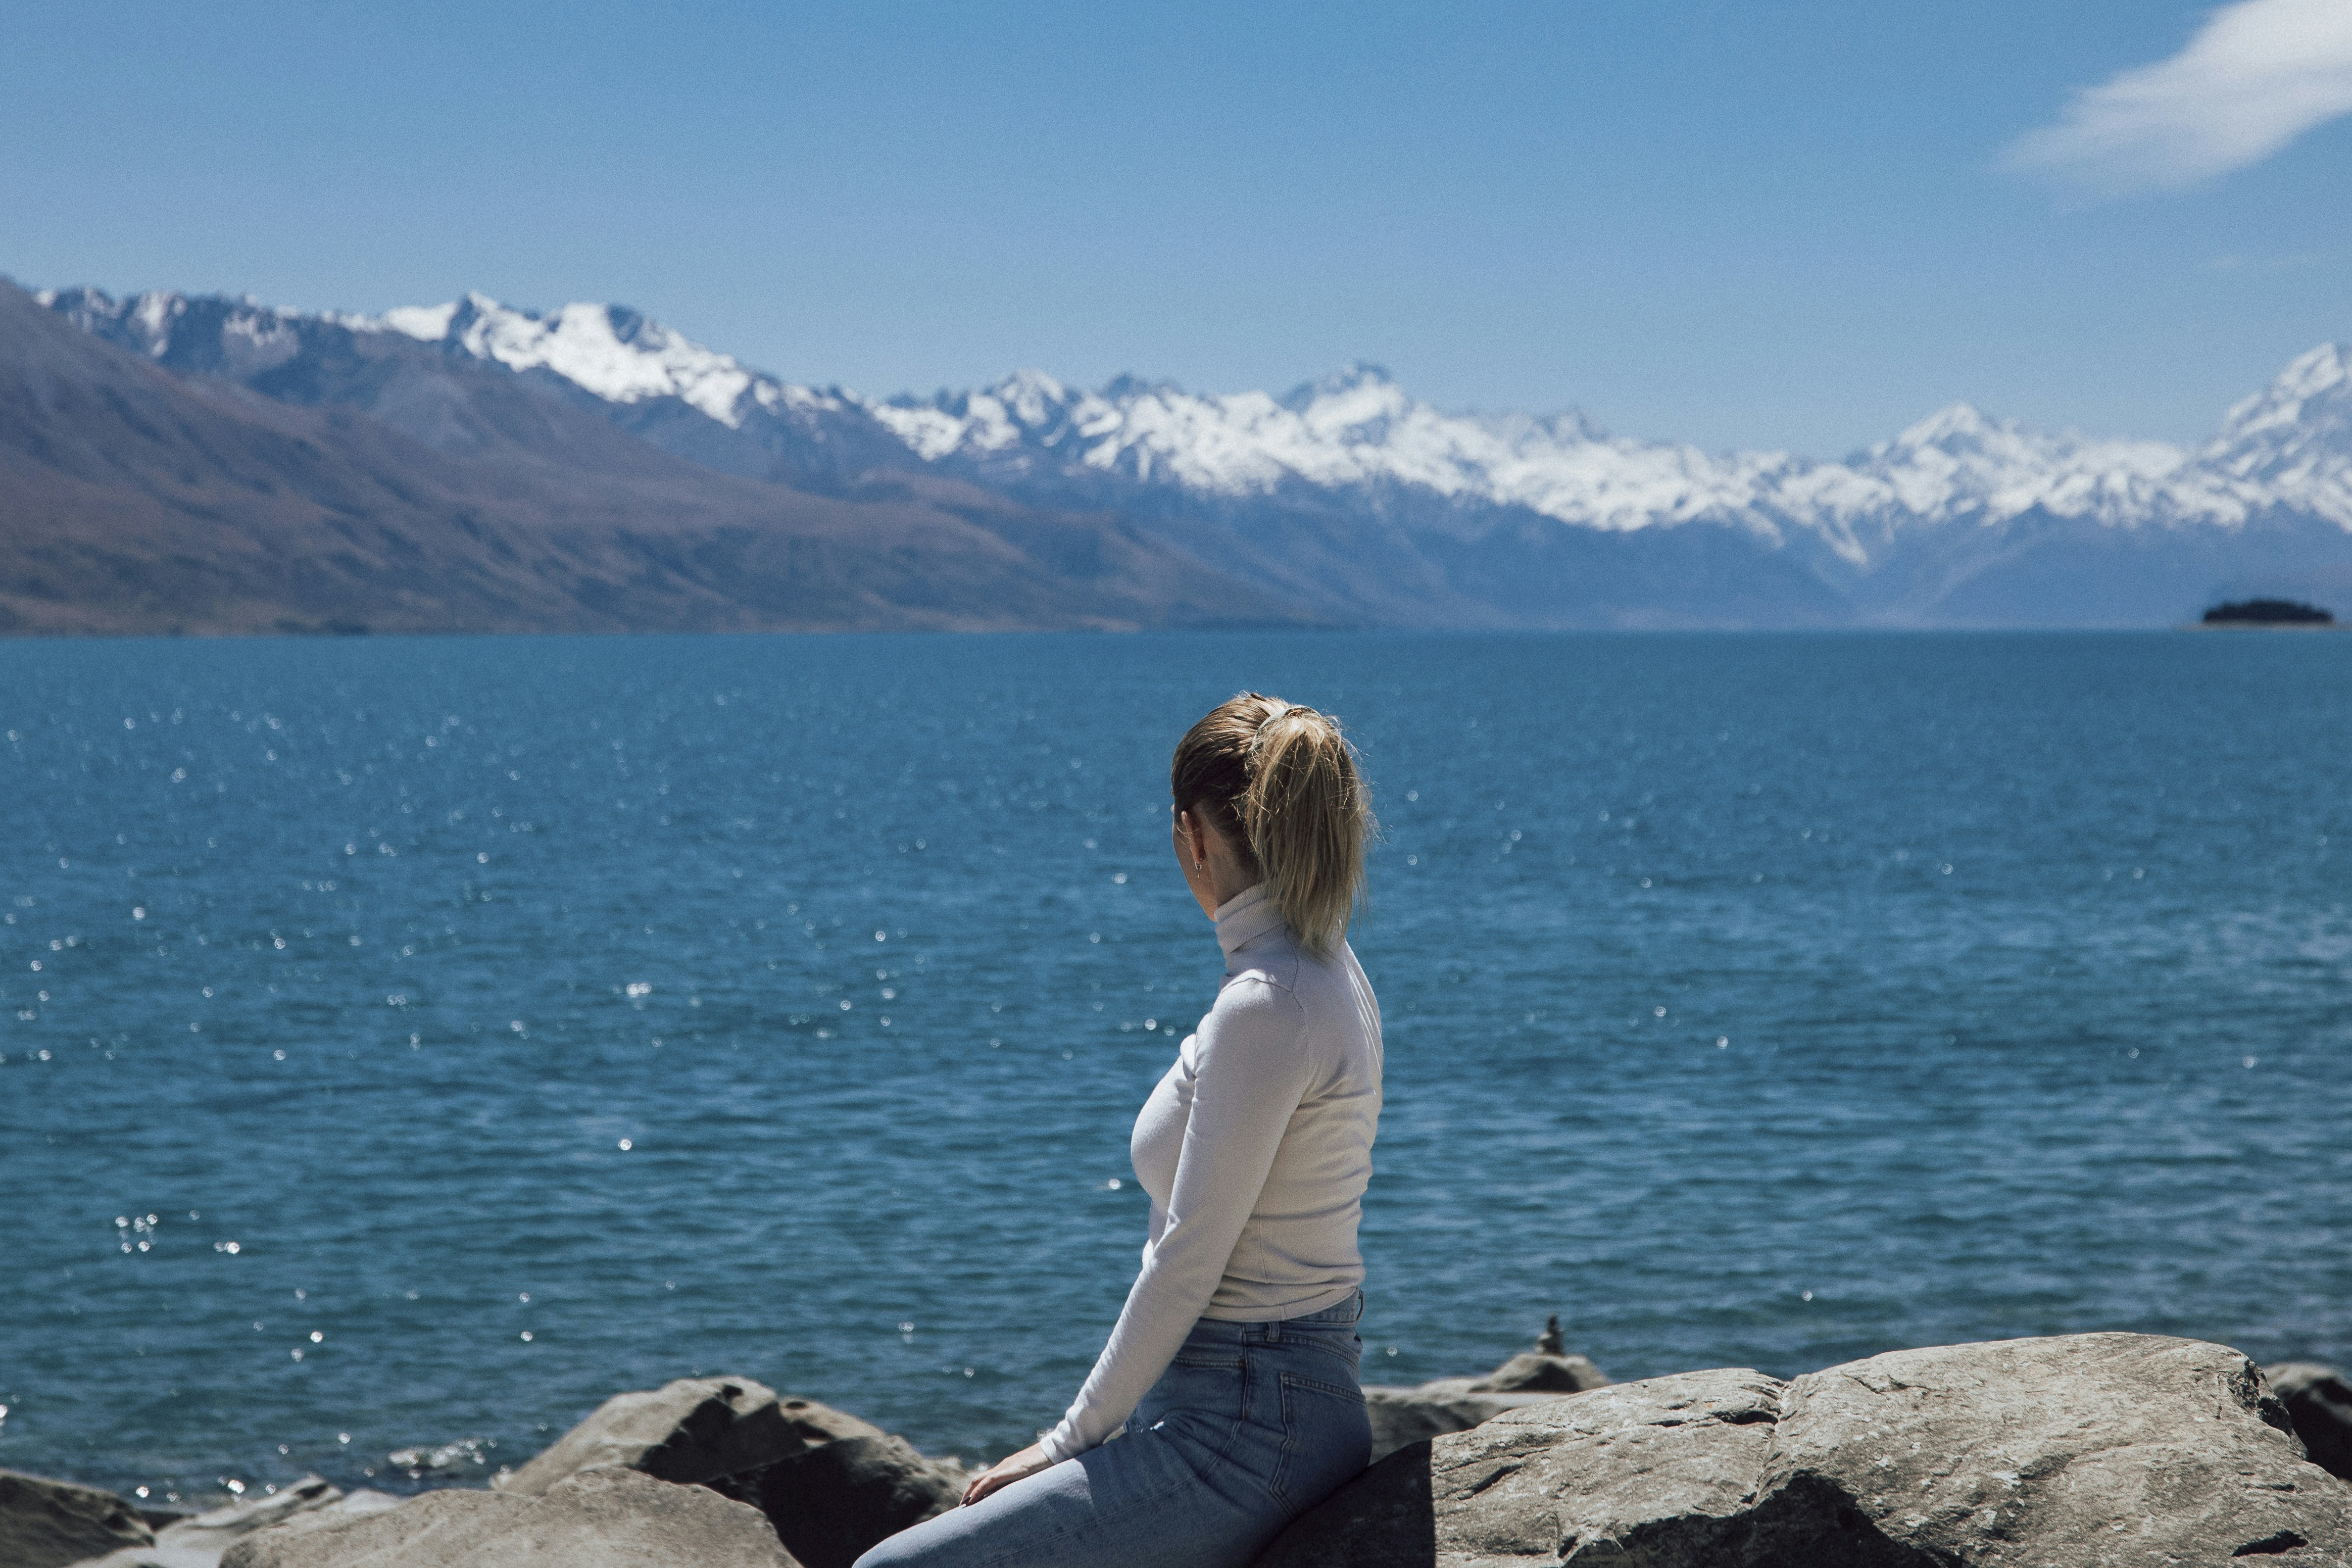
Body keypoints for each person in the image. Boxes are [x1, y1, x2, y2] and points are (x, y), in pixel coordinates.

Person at [856, 693, 1384, 1568]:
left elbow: (1191, 1253)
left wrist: (1067, 1440)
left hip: (1250, 1428)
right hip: (1273, 1394)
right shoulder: (1324, 965)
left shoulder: (1268, 1003)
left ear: (1193, 835)